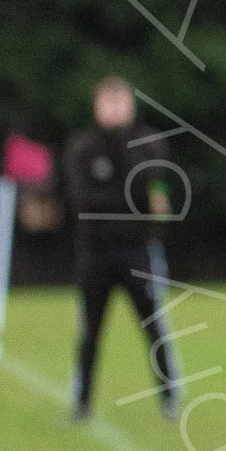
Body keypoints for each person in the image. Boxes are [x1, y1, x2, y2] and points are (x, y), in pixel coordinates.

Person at [62, 75, 184, 422]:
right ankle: (81, 402)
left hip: (138, 251)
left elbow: (152, 187)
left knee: (155, 327)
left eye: (121, 103)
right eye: (109, 103)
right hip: (95, 253)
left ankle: (170, 399)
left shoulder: (148, 143)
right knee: (88, 329)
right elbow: (82, 200)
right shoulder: (81, 147)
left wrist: (124, 160)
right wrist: (128, 200)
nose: (116, 110)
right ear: (96, 105)